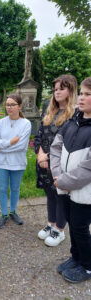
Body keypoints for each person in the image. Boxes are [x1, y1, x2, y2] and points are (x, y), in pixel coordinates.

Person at [50, 77, 91, 283]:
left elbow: (88, 168)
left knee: (81, 228)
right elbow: (56, 146)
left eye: (88, 94)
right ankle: (76, 257)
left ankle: (88, 266)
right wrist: (57, 174)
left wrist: (63, 181)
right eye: (82, 93)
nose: (82, 97)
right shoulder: (73, 120)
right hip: (64, 186)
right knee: (73, 226)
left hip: (84, 192)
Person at [34, 74, 77, 247]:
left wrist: (49, 158)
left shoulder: (75, 114)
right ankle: (51, 223)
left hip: (60, 164)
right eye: (55, 89)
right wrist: (39, 155)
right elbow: (38, 136)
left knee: (60, 197)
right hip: (44, 163)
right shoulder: (49, 110)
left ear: (71, 90)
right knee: (50, 195)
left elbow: (70, 143)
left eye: (61, 89)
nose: (56, 92)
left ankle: (59, 230)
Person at [0, 93, 31, 229]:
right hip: (1, 163)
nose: (9, 107)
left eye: (13, 104)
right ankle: (4, 214)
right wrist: (9, 142)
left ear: (19, 106)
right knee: (2, 188)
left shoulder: (26, 124)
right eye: (7, 104)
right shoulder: (0, 123)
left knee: (15, 188)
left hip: (18, 162)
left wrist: (1, 147)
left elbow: (21, 146)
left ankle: (13, 211)